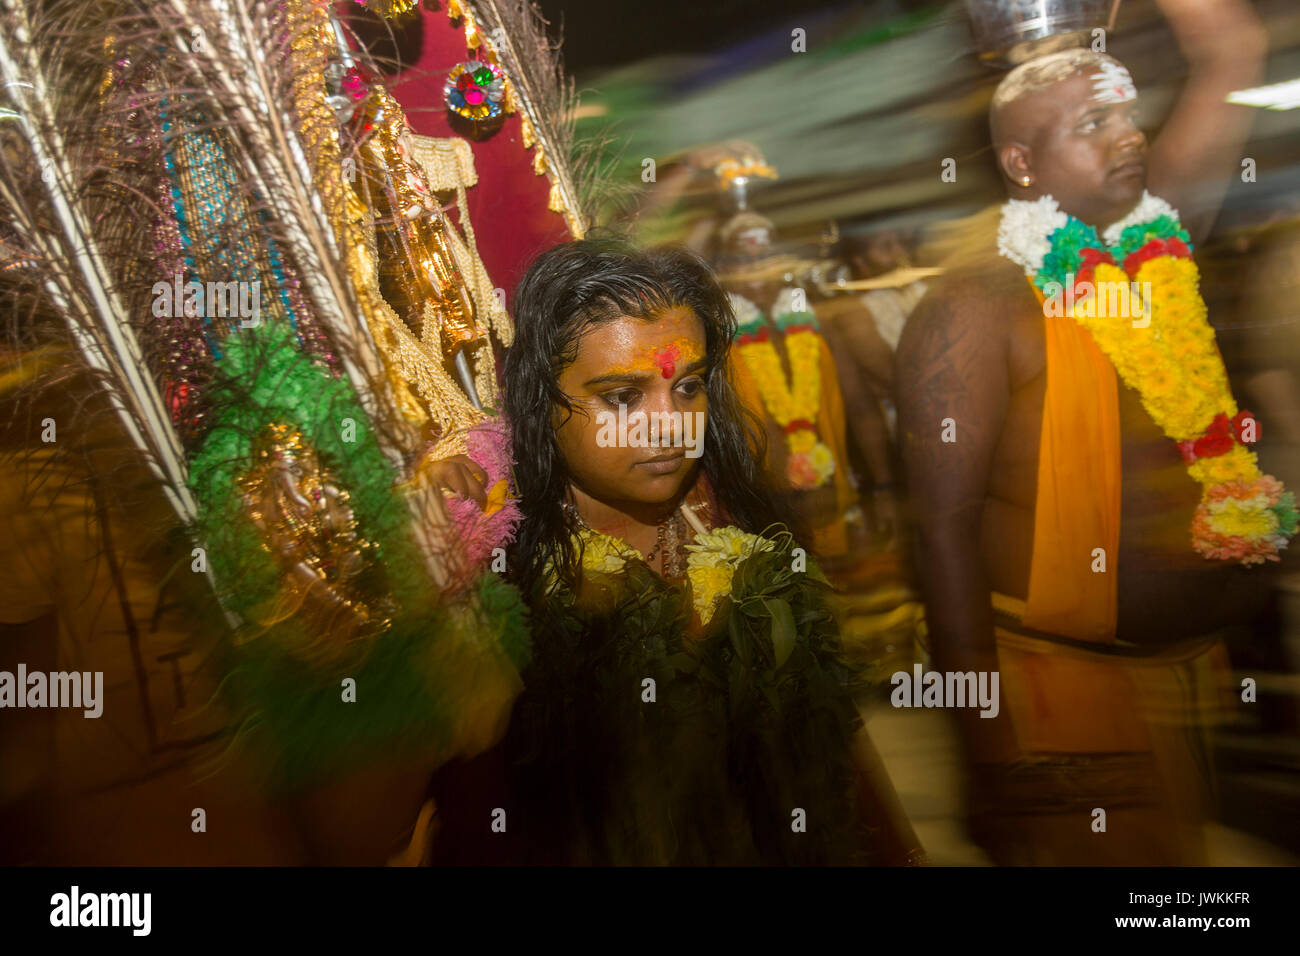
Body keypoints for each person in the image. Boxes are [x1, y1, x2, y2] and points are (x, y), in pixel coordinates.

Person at [896, 0, 1284, 864]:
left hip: (1184, 694)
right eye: (1093, 123)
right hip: (1053, 716)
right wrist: (986, 745)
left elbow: (1231, 55)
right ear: (1022, 164)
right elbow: (943, 538)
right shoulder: (973, 307)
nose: (1129, 137)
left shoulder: (1151, 257)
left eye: (1127, 113)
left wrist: (1211, 36)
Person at [427, 239, 923, 864]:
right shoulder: (493, 559)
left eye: (688, 387)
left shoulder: (734, 515)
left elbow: (826, 735)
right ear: (540, 398)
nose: (670, 424)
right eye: (622, 397)